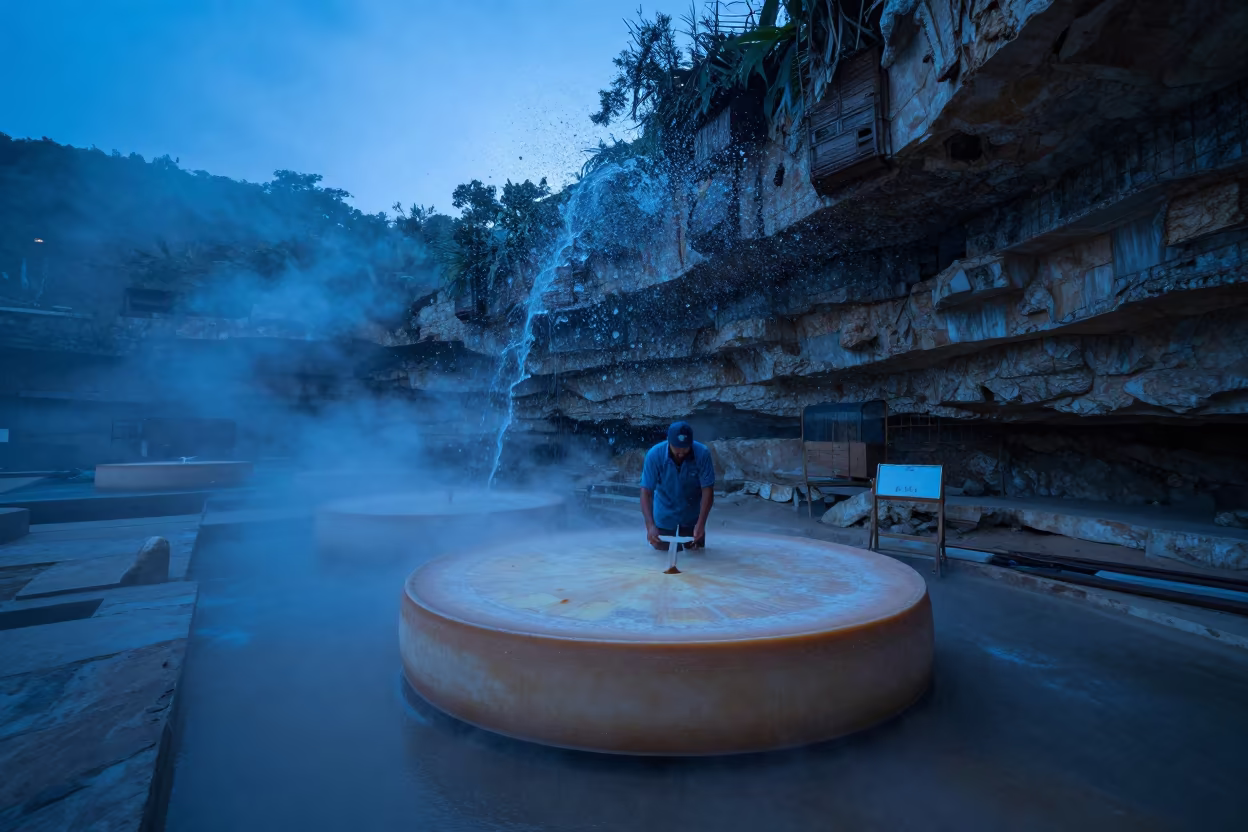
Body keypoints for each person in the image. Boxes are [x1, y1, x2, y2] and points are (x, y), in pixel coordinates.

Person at [639, 421, 715, 551]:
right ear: (668, 441)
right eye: (676, 448)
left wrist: (701, 523)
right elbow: (646, 492)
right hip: (664, 517)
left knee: (695, 559)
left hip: (692, 518)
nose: (681, 452)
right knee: (661, 562)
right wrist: (650, 525)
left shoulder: (702, 454)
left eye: (685, 448)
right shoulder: (654, 455)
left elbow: (707, 490)